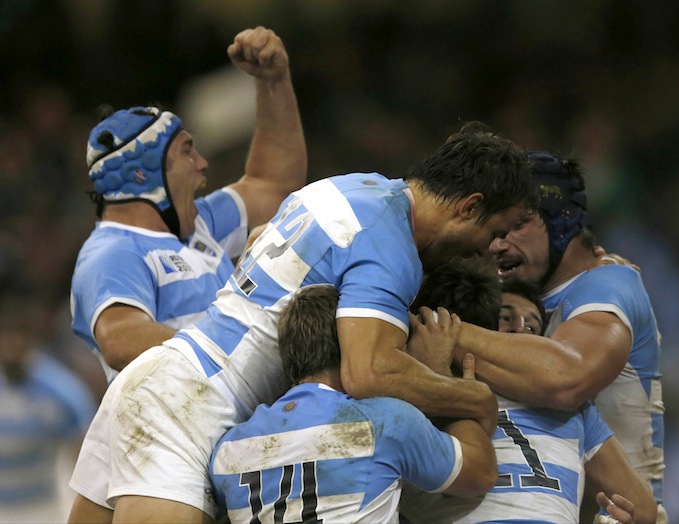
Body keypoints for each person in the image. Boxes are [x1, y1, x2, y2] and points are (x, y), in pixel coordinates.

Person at [70, 119, 536, 523]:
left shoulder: (350, 187)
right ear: (470, 206)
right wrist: (471, 398)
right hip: (192, 406)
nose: (487, 250)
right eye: (493, 232)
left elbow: (255, 238)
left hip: (160, 377)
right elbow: (369, 371)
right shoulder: (389, 243)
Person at [66, 26, 307, 523]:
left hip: (194, 427)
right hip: (167, 433)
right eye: (186, 151)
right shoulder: (111, 251)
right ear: (140, 175)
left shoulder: (201, 226)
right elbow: (119, 337)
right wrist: (244, 347)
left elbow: (273, 181)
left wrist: (274, 83)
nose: (202, 165)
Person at [454, 151, 666, 522]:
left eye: (514, 226)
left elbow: (565, 380)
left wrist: (432, 331)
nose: (496, 244)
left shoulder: (605, 285)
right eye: (494, 230)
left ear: (562, 223)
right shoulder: (513, 292)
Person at [209, 284, 497, 523]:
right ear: (353, 347)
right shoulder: (384, 423)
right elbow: (480, 473)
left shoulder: (226, 450)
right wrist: (445, 379)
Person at [400, 257, 656, 524]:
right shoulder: (425, 382)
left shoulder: (573, 409)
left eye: (532, 326)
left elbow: (642, 511)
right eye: (505, 317)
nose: (520, 328)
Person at [0, 296, 96, 523]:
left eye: (20, 336)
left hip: (42, 509)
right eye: (5, 336)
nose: (12, 344)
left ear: (33, 339)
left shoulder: (62, 391)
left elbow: (85, 452)